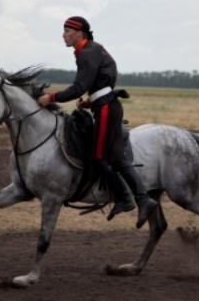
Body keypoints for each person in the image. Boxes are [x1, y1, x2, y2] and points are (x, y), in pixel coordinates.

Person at [37, 16, 157, 229]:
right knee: (116, 159)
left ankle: (125, 199)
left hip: (105, 109)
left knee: (100, 158)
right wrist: (88, 102)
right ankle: (143, 200)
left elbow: (77, 88)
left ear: (80, 33)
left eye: (67, 31)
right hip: (107, 105)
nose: (63, 35)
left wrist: (51, 98)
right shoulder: (93, 49)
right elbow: (100, 83)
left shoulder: (86, 53)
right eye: (63, 30)